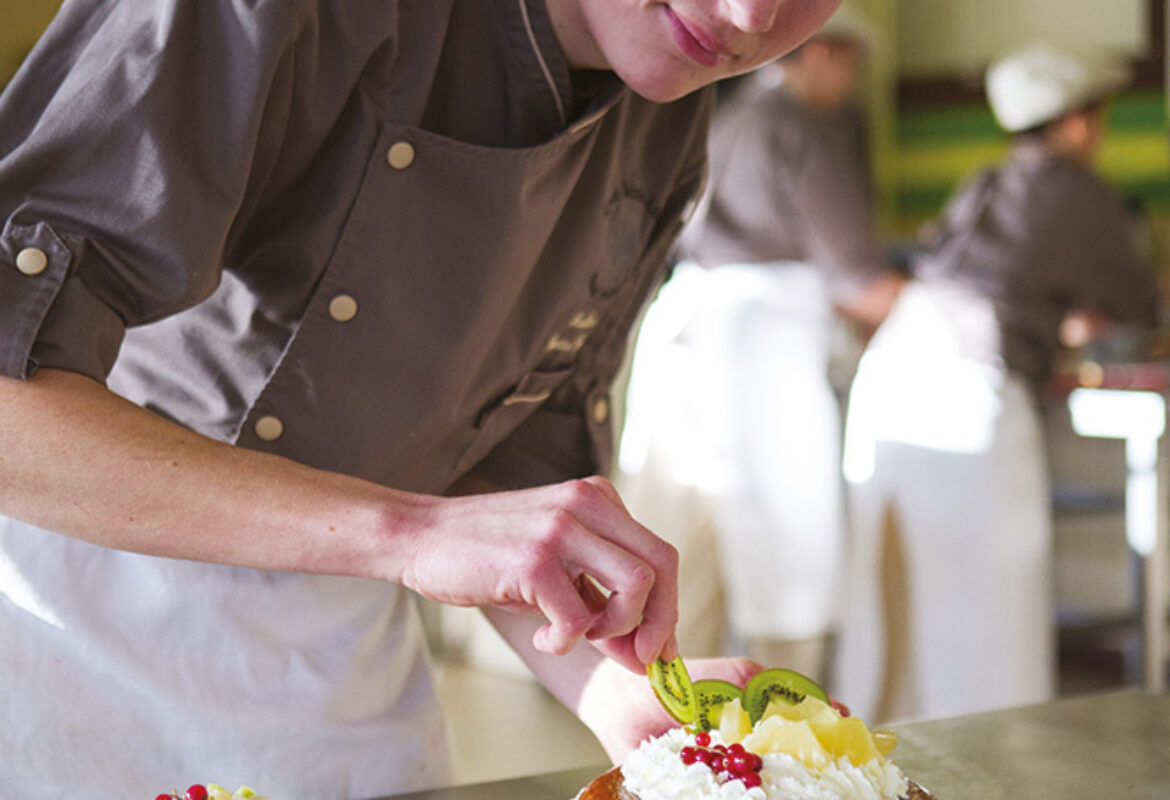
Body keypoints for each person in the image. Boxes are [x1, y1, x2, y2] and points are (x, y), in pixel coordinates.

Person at [0, 1, 845, 798]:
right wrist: (408, 534)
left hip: (341, 670)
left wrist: (615, 692)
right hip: (69, 627)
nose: (748, 18)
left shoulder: (664, 104)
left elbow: (506, 460)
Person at [833, 41, 1160, 723]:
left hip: (891, 371)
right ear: (1075, 123)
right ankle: (993, 776)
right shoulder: (1079, 191)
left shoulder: (988, 177)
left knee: (893, 599)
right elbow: (1139, 306)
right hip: (969, 391)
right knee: (990, 605)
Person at [617, 5, 903, 678]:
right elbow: (859, 278)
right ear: (823, 54)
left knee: (693, 541)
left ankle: (685, 707)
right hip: (760, 354)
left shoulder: (732, 115)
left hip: (693, 338)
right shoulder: (797, 126)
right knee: (785, 533)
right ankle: (783, 697)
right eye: (850, 66)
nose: (850, 83)